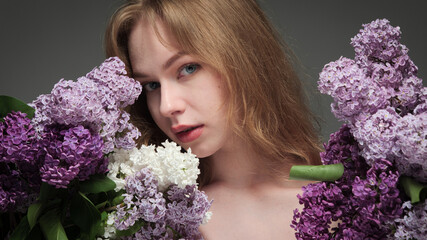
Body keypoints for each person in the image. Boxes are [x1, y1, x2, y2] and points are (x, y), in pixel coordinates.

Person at [105, 0, 322, 238]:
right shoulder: (152, 221)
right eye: (151, 85)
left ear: (244, 57)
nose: (167, 106)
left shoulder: (347, 192)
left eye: (188, 69)